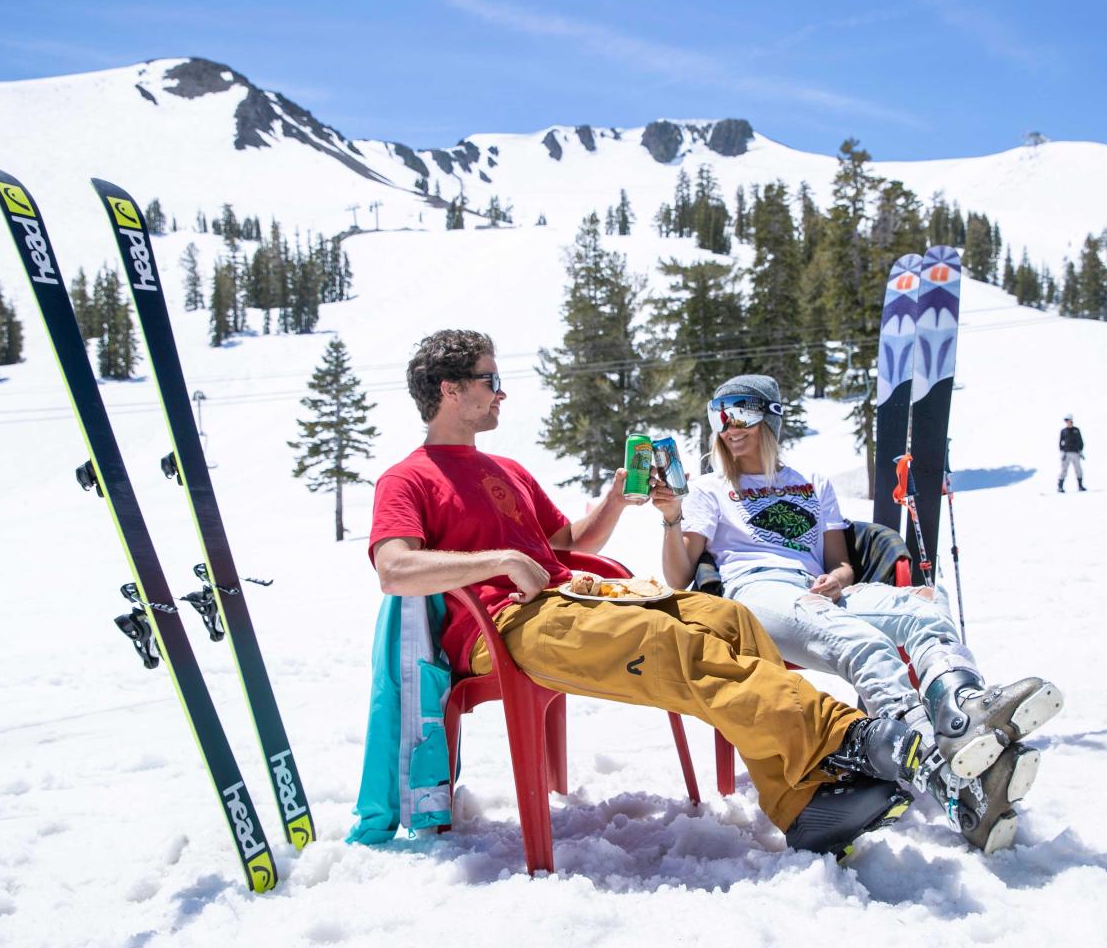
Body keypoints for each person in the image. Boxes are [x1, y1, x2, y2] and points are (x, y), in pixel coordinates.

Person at [368, 330, 976, 859]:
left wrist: (615, 499)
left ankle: (805, 799)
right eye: (489, 378)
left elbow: (566, 541)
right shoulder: (409, 477)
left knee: (729, 619)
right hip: (503, 627)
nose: (500, 391)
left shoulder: (507, 470)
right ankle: (853, 737)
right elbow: (395, 568)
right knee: (665, 641)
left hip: (572, 602)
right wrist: (501, 561)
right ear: (450, 389)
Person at [648, 374, 1064, 852]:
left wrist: (838, 580)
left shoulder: (811, 482)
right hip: (756, 592)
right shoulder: (709, 489)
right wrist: (671, 518)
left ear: (771, 416)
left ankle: (958, 716)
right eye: (719, 415)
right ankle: (936, 766)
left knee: (926, 606)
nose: (729, 426)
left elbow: (841, 562)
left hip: (819, 591)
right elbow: (679, 578)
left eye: (741, 411)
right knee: (861, 642)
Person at [1058, 415, 1086, 492]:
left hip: (1075, 453)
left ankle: (1080, 486)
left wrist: (1080, 451)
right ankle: (1060, 486)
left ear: (1071, 421)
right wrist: (1062, 452)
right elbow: (1060, 442)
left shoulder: (1076, 430)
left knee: (1078, 470)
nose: (1067, 422)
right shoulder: (1063, 431)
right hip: (1066, 453)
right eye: (1066, 421)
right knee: (1064, 470)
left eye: (1068, 420)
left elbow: (1080, 441)